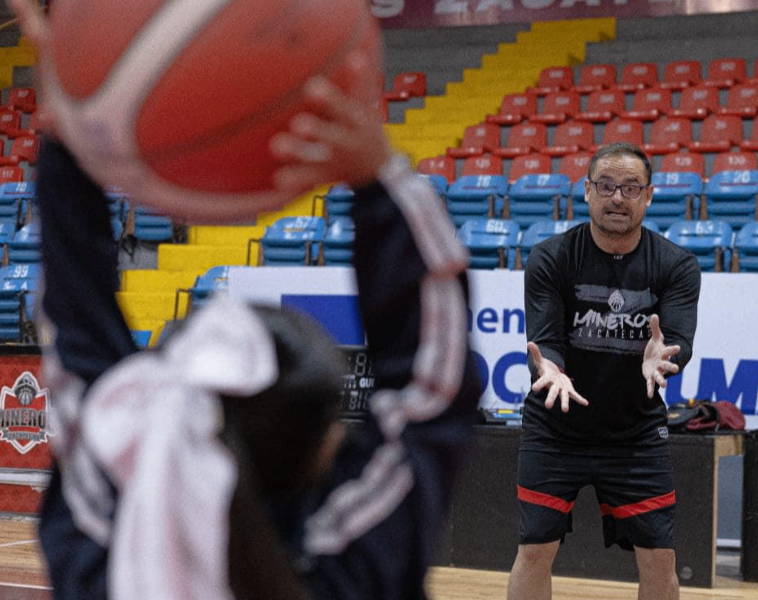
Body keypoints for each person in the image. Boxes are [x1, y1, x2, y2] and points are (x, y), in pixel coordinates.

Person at [10, 1, 481, 598]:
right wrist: (380, 178)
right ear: (323, 450)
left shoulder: (103, 542)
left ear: (154, 416)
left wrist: (70, 127)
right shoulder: (352, 569)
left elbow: (74, 328)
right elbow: (432, 385)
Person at [507, 142, 702, 600]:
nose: (618, 197)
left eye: (631, 188)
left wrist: (664, 358)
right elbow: (547, 338)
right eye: (607, 186)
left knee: (659, 556)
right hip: (555, 429)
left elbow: (677, 342)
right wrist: (550, 369)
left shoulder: (676, 265)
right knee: (535, 548)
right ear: (588, 192)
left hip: (635, 432)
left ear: (649, 196)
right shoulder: (551, 257)